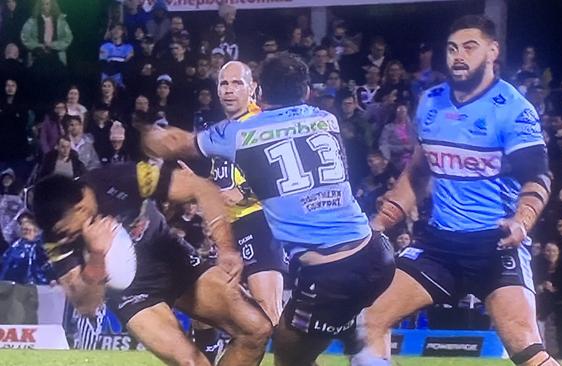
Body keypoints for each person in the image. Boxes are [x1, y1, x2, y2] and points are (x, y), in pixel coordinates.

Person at [138, 54, 395, 366]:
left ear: (257, 92)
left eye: (237, 83)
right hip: (375, 252)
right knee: (327, 335)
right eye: (224, 83)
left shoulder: (240, 134)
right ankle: (361, 347)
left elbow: (177, 143)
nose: (229, 89)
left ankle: (359, 346)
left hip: (331, 270)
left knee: (287, 355)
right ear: (307, 93)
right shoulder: (325, 119)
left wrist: (148, 133)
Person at [351, 15, 560, 366]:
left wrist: (521, 221)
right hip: (440, 245)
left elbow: (538, 178)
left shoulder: (513, 109)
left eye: (469, 47)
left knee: (525, 348)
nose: (458, 56)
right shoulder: (431, 101)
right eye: (451, 49)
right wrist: (380, 223)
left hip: (494, 243)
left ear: (492, 51)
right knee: (369, 318)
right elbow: (418, 171)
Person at [32, 160, 272, 366]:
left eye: (65, 231)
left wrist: (227, 249)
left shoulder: (121, 178)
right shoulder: (53, 238)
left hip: (174, 261)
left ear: (81, 207)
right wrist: (96, 256)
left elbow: (202, 188)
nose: (63, 238)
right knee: (191, 362)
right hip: (132, 294)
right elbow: (86, 305)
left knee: (256, 330)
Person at [378, 103, 418, 171]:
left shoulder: (413, 127)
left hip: (415, 158)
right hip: (397, 161)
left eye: (404, 112)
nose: (402, 114)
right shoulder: (388, 128)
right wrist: (403, 148)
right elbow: (383, 145)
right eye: (400, 112)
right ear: (396, 113)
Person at [99, 23, 134, 88]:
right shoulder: (104, 46)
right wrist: (120, 63)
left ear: (123, 31)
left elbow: (128, 64)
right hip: (107, 75)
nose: (116, 31)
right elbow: (103, 63)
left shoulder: (129, 47)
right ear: (111, 31)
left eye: (119, 29)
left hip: (122, 77)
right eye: (114, 29)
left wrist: (114, 62)